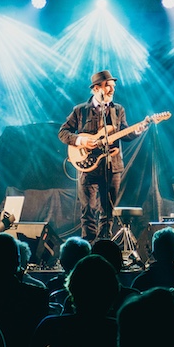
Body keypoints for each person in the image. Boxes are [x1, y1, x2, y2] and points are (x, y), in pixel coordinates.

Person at [57, 70, 146, 242]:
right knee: (88, 210)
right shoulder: (80, 110)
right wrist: (80, 140)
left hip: (111, 165)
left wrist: (136, 132)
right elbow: (63, 132)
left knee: (107, 210)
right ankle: (88, 246)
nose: (112, 90)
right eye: (108, 86)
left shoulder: (118, 110)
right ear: (97, 88)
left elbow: (124, 134)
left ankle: (105, 244)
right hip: (87, 165)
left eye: (113, 86)